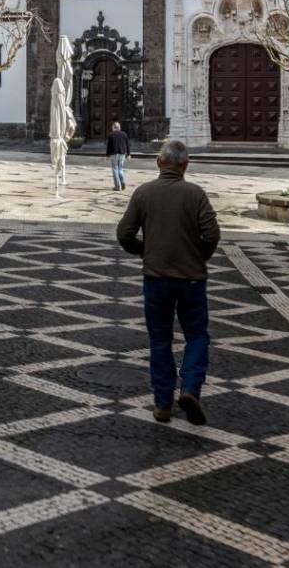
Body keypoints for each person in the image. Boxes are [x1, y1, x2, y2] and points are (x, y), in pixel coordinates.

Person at [116, 140, 220, 425]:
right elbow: (212, 234)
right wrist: (198, 257)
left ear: (158, 162)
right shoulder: (196, 194)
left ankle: (163, 405)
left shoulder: (143, 193)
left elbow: (124, 233)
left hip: (156, 279)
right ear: (185, 165)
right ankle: (189, 389)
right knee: (197, 336)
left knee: (160, 339)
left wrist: (143, 250)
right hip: (191, 280)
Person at [106, 122, 131, 191]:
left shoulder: (111, 135)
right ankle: (122, 181)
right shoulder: (124, 134)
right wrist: (128, 154)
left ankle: (117, 186)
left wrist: (107, 154)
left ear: (113, 127)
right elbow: (127, 144)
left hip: (114, 154)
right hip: (122, 153)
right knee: (120, 168)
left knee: (115, 169)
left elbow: (109, 146)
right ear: (119, 127)